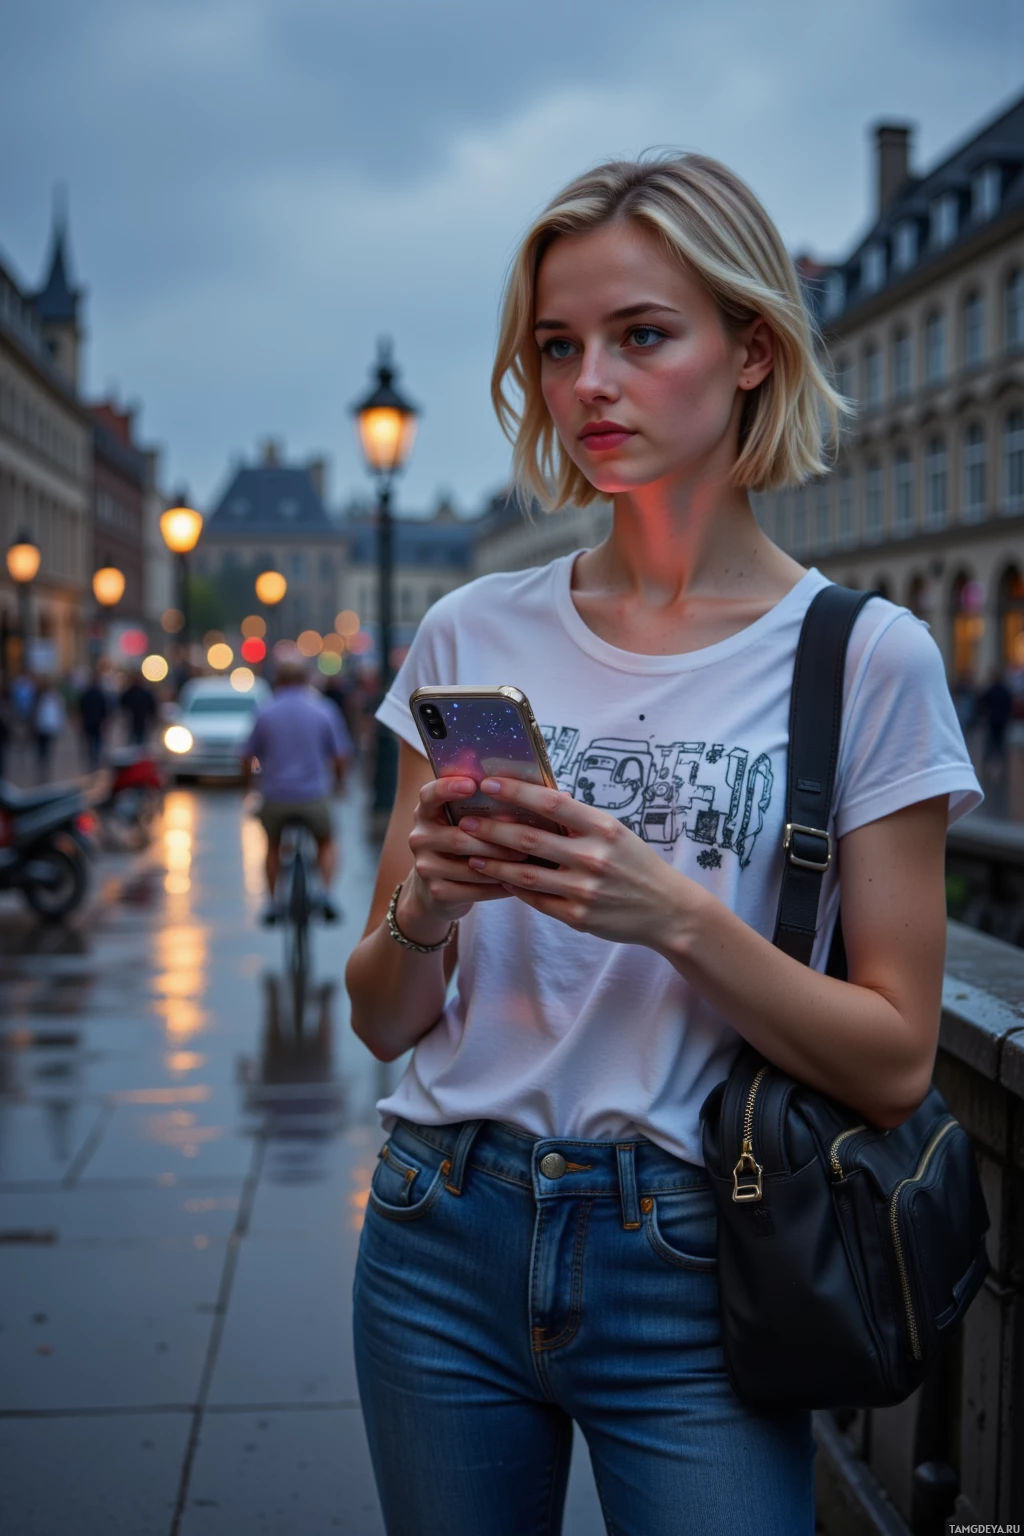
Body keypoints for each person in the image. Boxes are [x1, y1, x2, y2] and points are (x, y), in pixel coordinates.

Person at [345, 154, 983, 1536]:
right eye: (558, 348)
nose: (590, 385)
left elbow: (897, 1056)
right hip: (436, 1224)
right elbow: (383, 1021)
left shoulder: (865, 658)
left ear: (752, 348)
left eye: (642, 336)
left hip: (699, 1249)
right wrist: (427, 913)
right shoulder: (473, 632)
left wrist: (673, 913)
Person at [241, 658, 352, 924]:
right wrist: (339, 784)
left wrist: (249, 785)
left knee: (273, 845)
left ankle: (272, 902)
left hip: (275, 796)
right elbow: (340, 755)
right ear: (306, 679)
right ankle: (325, 894)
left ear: (277, 680)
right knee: (326, 841)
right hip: (313, 795)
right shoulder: (323, 710)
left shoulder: (265, 712)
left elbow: (246, 756)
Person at [976, 665, 1013, 779]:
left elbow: (982, 702)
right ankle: (1002, 767)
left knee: (990, 745)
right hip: (1001, 721)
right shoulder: (1005, 690)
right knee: (1000, 745)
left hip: (992, 720)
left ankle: (986, 766)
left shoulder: (991, 689)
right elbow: (1009, 705)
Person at [33, 679, 66, 781]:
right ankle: (42, 767)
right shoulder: (41, 698)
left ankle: (45, 767)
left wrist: (60, 726)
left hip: (50, 727)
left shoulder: (56, 698)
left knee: (47, 749)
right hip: (42, 727)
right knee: (42, 750)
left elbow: (60, 713)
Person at [77, 672, 109, 771]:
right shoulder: (100, 694)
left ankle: (93, 758)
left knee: (90, 742)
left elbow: (80, 709)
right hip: (97, 722)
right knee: (96, 741)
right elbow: (105, 710)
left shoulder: (85, 694)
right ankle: (95, 757)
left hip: (88, 722)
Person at [120, 673, 157, 747]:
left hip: (135, 719)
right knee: (140, 738)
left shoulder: (131, 691)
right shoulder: (144, 692)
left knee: (134, 738)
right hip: (139, 719)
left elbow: (123, 702)